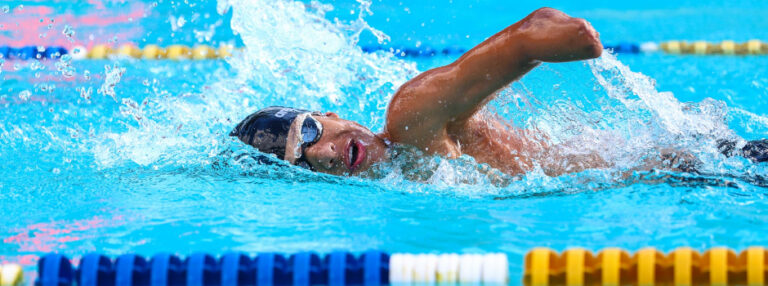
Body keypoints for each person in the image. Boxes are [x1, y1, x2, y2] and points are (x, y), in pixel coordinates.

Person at [230, 8, 767, 177]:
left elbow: (529, 32)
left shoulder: (414, 115)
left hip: (688, 162)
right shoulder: (395, 182)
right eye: (303, 161)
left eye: (311, 132)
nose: (323, 152)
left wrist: (558, 39)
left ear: (329, 113)